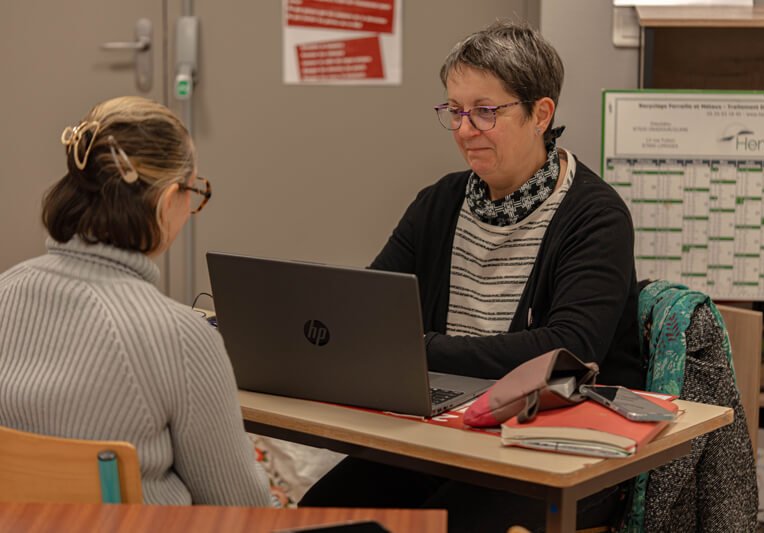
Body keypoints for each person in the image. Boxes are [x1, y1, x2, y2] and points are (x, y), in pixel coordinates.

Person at [300, 20, 644, 532]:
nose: (464, 129)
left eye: (485, 112)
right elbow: (370, 309)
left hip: (550, 445)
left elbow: (569, 351)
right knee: (321, 515)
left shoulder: (595, 217)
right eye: (456, 111)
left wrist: (420, 347)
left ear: (540, 114)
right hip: (448, 432)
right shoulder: (440, 202)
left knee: (441, 524)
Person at [0, 96, 271, 506]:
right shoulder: (181, 337)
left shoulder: (6, 292)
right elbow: (240, 511)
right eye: (194, 191)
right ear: (166, 201)